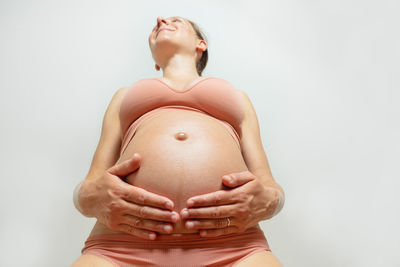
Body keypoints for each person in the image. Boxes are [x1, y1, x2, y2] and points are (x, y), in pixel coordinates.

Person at [71, 16, 285, 267]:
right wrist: (86, 198)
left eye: (176, 21)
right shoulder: (124, 96)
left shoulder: (239, 98)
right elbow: (90, 187)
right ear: (154, 60)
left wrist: (272, 202)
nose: (161, 20)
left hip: (235, 247)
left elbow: (270, 188)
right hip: (121, 246)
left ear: (200, 44)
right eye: (156, 26)